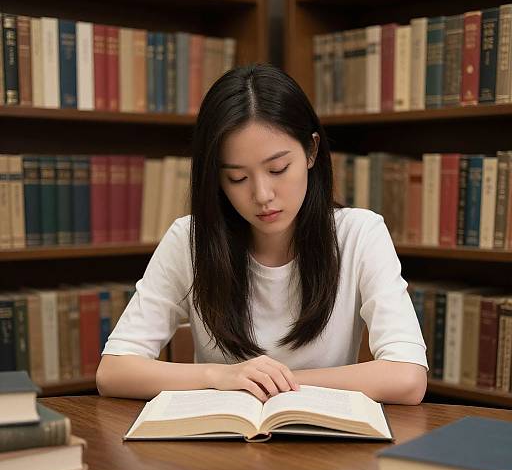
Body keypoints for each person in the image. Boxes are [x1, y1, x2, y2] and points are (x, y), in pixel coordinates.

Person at [96, 63, 428, 404]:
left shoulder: (359, 234)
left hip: (322, 444)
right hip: (220, 443)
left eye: (278, 169)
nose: (262, 195)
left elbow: (407, 376)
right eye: (237, 178)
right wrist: (221, 375)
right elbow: (114, 371)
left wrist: (271, 382)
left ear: (312, 151)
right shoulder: (189, 241)